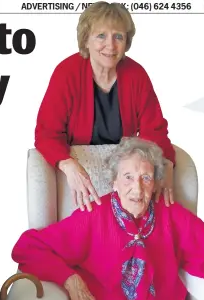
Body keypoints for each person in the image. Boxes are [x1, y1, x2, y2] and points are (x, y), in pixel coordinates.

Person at [12, 137, 204, 300]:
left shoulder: (171, 214)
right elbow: (29, 247)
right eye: (128, 177)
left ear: (155, 184)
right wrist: (69, 279)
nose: (137, 189)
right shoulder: (93, 217)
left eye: (146, 178)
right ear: (114, 181)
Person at [34, 1, 175, 212]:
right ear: (86, 39)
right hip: (79, 162)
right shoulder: (66, 73)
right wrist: (68, 165)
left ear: (126, 42)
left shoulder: (136, 75)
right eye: (101, 36)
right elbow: (46, 133)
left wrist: (167, 165)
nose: (110, 45)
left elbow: (154, 130)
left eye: (118, 36)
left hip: (123, 168)